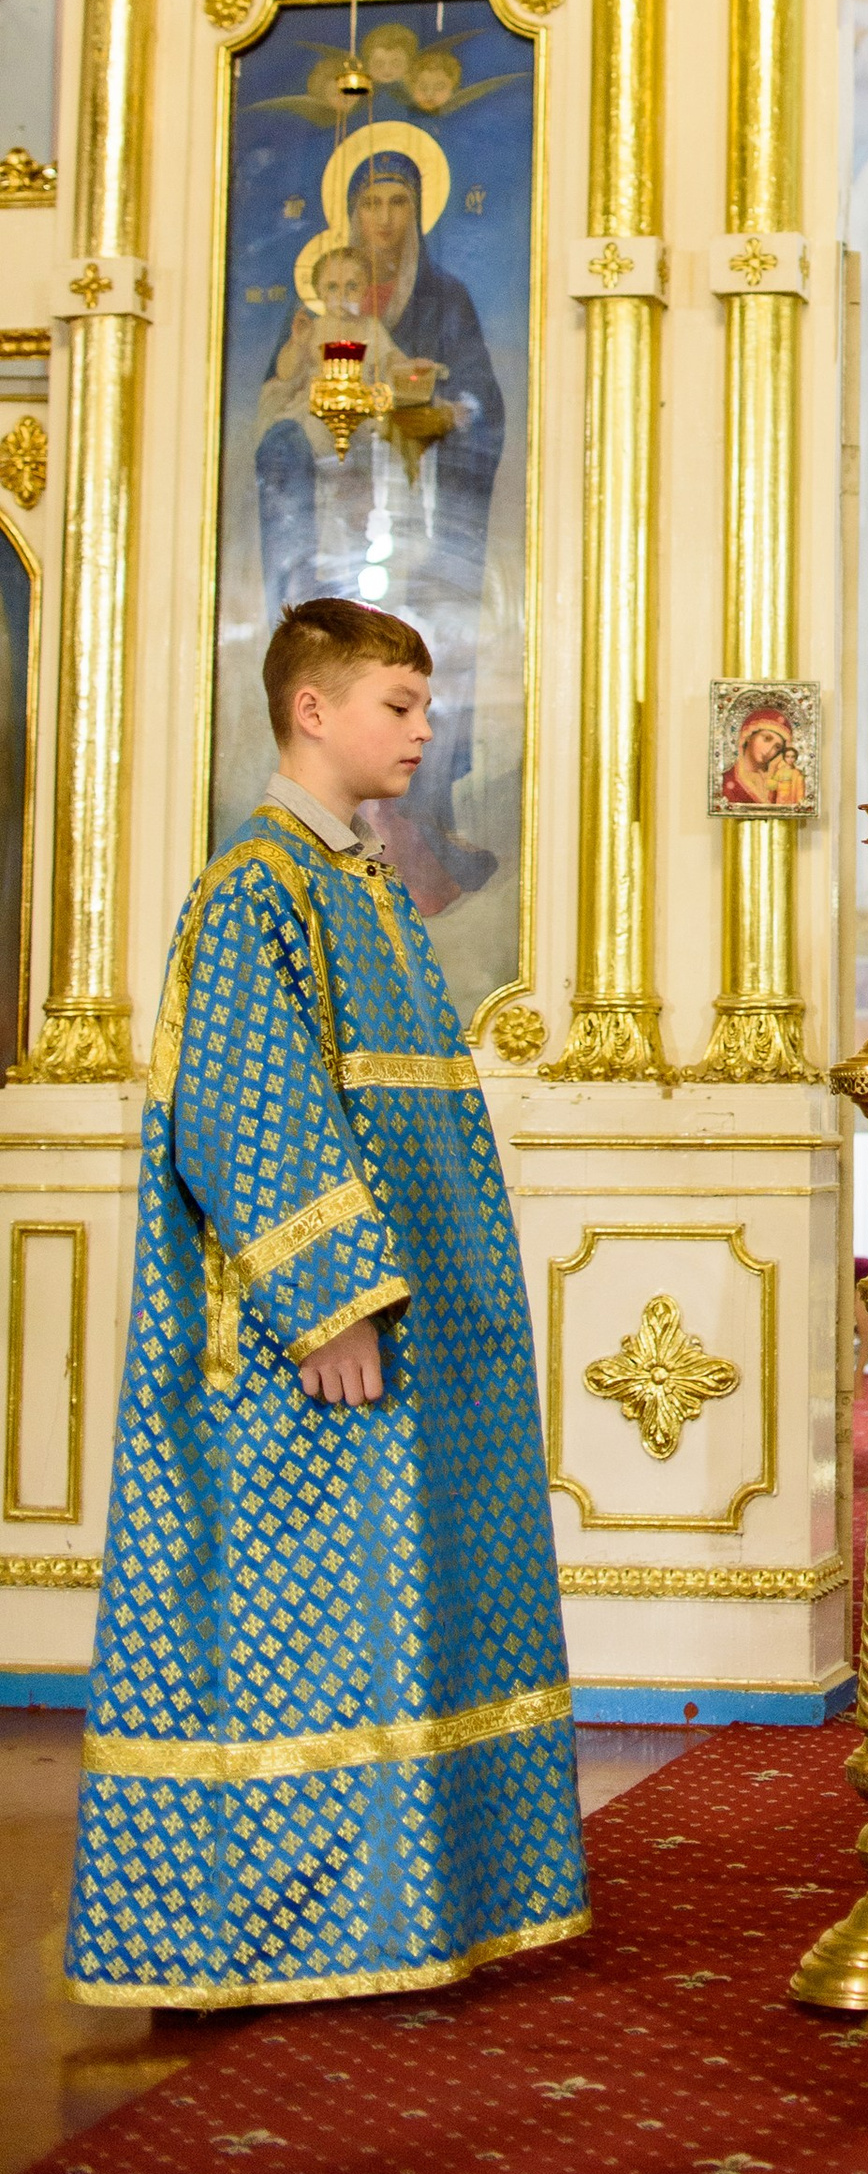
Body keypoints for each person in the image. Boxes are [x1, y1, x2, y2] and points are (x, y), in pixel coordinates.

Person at [65, 599, 586, 2010]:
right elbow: (244, 1108)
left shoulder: (355, 880)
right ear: (312, 708)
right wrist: (328, 1300)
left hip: (419, 1334)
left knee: (399, 1614)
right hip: (318, 1347)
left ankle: (417, 1901)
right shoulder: (259, 885)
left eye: (427, 707)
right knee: (311, 1628)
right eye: (400, 705)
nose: (426, 732)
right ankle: (292, 1924)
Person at [254, 156, 505, 909]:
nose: (386, 219)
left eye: (400, 201)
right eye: (371, 203)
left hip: (413, 507)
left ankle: (430, 828)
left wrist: (438, 407)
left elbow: (474, 399)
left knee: (426, 647)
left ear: (420, 208)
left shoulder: (443, 298)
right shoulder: (311, 318)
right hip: (338, 516)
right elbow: (279, 411)